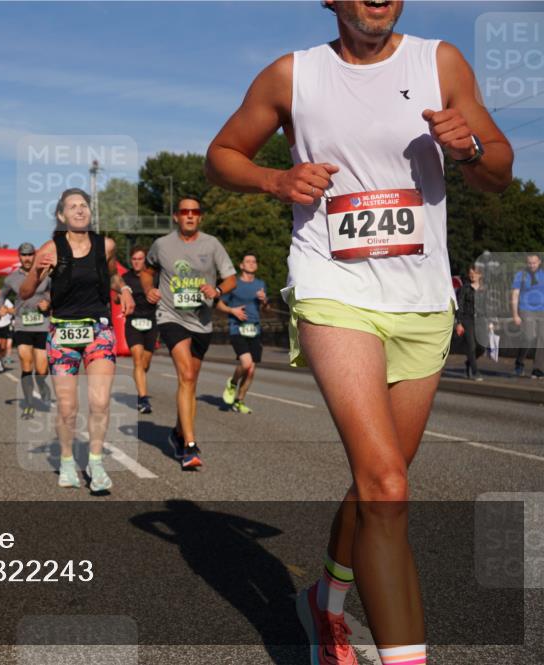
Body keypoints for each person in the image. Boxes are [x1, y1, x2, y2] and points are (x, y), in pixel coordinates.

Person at [205, 2, 513, 664]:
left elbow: (498, 173)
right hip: (333, 289)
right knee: (386, 485)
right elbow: (220, 155)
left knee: (384, 479)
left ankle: (325, 601)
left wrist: (471, 149)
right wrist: (275, 178)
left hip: (422, 300)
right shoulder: (293, 76)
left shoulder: (441, 62)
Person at [20, 187, 135, 493]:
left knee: (99, 402)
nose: (80, 210)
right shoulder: (51, 249)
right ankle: (68, 461)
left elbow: (112, 274)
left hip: (98, 330)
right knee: (68, 408)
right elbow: (26, 292)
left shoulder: (105, 245)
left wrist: (123, 289)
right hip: (63, 332)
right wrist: (36, 273)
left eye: (83, 205)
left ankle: (96, 463)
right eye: (73, 207)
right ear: (62, 215)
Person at [141, 198, 236, 470]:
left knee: (190, 382)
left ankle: (178, 432)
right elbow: (147, 272)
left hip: (201, 321)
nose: (190, 216)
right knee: (187, 374)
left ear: (200, 217)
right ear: (176, 217)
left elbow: (231, 278)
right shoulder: (162, 245)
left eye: (195, 212)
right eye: (185, 212)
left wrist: (217, 291)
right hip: (170, 315)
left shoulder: (212, 244)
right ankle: (189, 446)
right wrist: (149, 289)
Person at [0, 242, 53, 419]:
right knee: (25, 361)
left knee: (42, 369)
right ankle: (29, 404)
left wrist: (49, 303)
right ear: (19, 257)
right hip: (22, 324)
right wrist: (0, 307)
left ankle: (42, 384)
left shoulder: (46, 275)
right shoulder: (11, 278)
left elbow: (56, 294)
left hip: (42, 325)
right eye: (24, 255)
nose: (27, 258)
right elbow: (1, 295)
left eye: (30, 255)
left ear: (34, 255)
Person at [218, 252, 269, 413]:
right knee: (246, 364)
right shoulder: (234, 284)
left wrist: (264, 301)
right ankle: (232, 383)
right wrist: (232, 311)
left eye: (254, 261)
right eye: (248, 261)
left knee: (251, 369)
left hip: (254, 329)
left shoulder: (260, 284)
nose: (252, 264)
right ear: (241, 265)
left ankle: (239, 401)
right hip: (237, 328)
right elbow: (218, 304)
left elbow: (265, 309)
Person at [123, 245, 158, 414]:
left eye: (140, 259)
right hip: (133, 322)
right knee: (137, 359)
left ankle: (139, 383)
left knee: (145, 363)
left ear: (145, 261)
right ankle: (143, 399)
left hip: (151, 322)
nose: (137, 262)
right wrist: (119, 297)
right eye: (134, 259)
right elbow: (117, 297)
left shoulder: (153, 277)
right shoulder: (125, 278)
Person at [511, 252, 544, 379]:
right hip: (526, 309)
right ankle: (519, 362)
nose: (532, 265)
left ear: (539, 262)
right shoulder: (521, 275)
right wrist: (515, 314)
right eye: (529, 263)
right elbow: (515, 294)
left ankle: (538, 369)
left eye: (534, 263)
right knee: (529, 337)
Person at [455, 263, 485, 381]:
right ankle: (475, 371)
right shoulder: (465, 289)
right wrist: (459, 322)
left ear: (480, 275)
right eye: (471, 274)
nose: (473, 276)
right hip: (468, 319)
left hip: (481, 320)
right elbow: (460, 306)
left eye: (475, 273)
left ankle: (469, 363)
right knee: (471, 345)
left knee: (482, 347)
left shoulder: (484, 289)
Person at [0, 288, 14, 373]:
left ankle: (1, 359)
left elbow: (13, 310)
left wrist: (6, 309)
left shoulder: (7, 301)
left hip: (5, 325)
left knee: (3, 347)